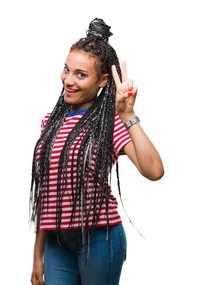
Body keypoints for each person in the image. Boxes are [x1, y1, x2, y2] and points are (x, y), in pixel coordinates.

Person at [29, 18, 164, 285]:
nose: (68, 80)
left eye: (81, 74)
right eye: (66, 70)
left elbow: (154, 170)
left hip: (100, 238)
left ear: (103, 80)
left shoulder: (109, 122)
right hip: (56, 243)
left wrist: (128, 114)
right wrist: (37, 254)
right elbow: (47, 191)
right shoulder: (50, 121)